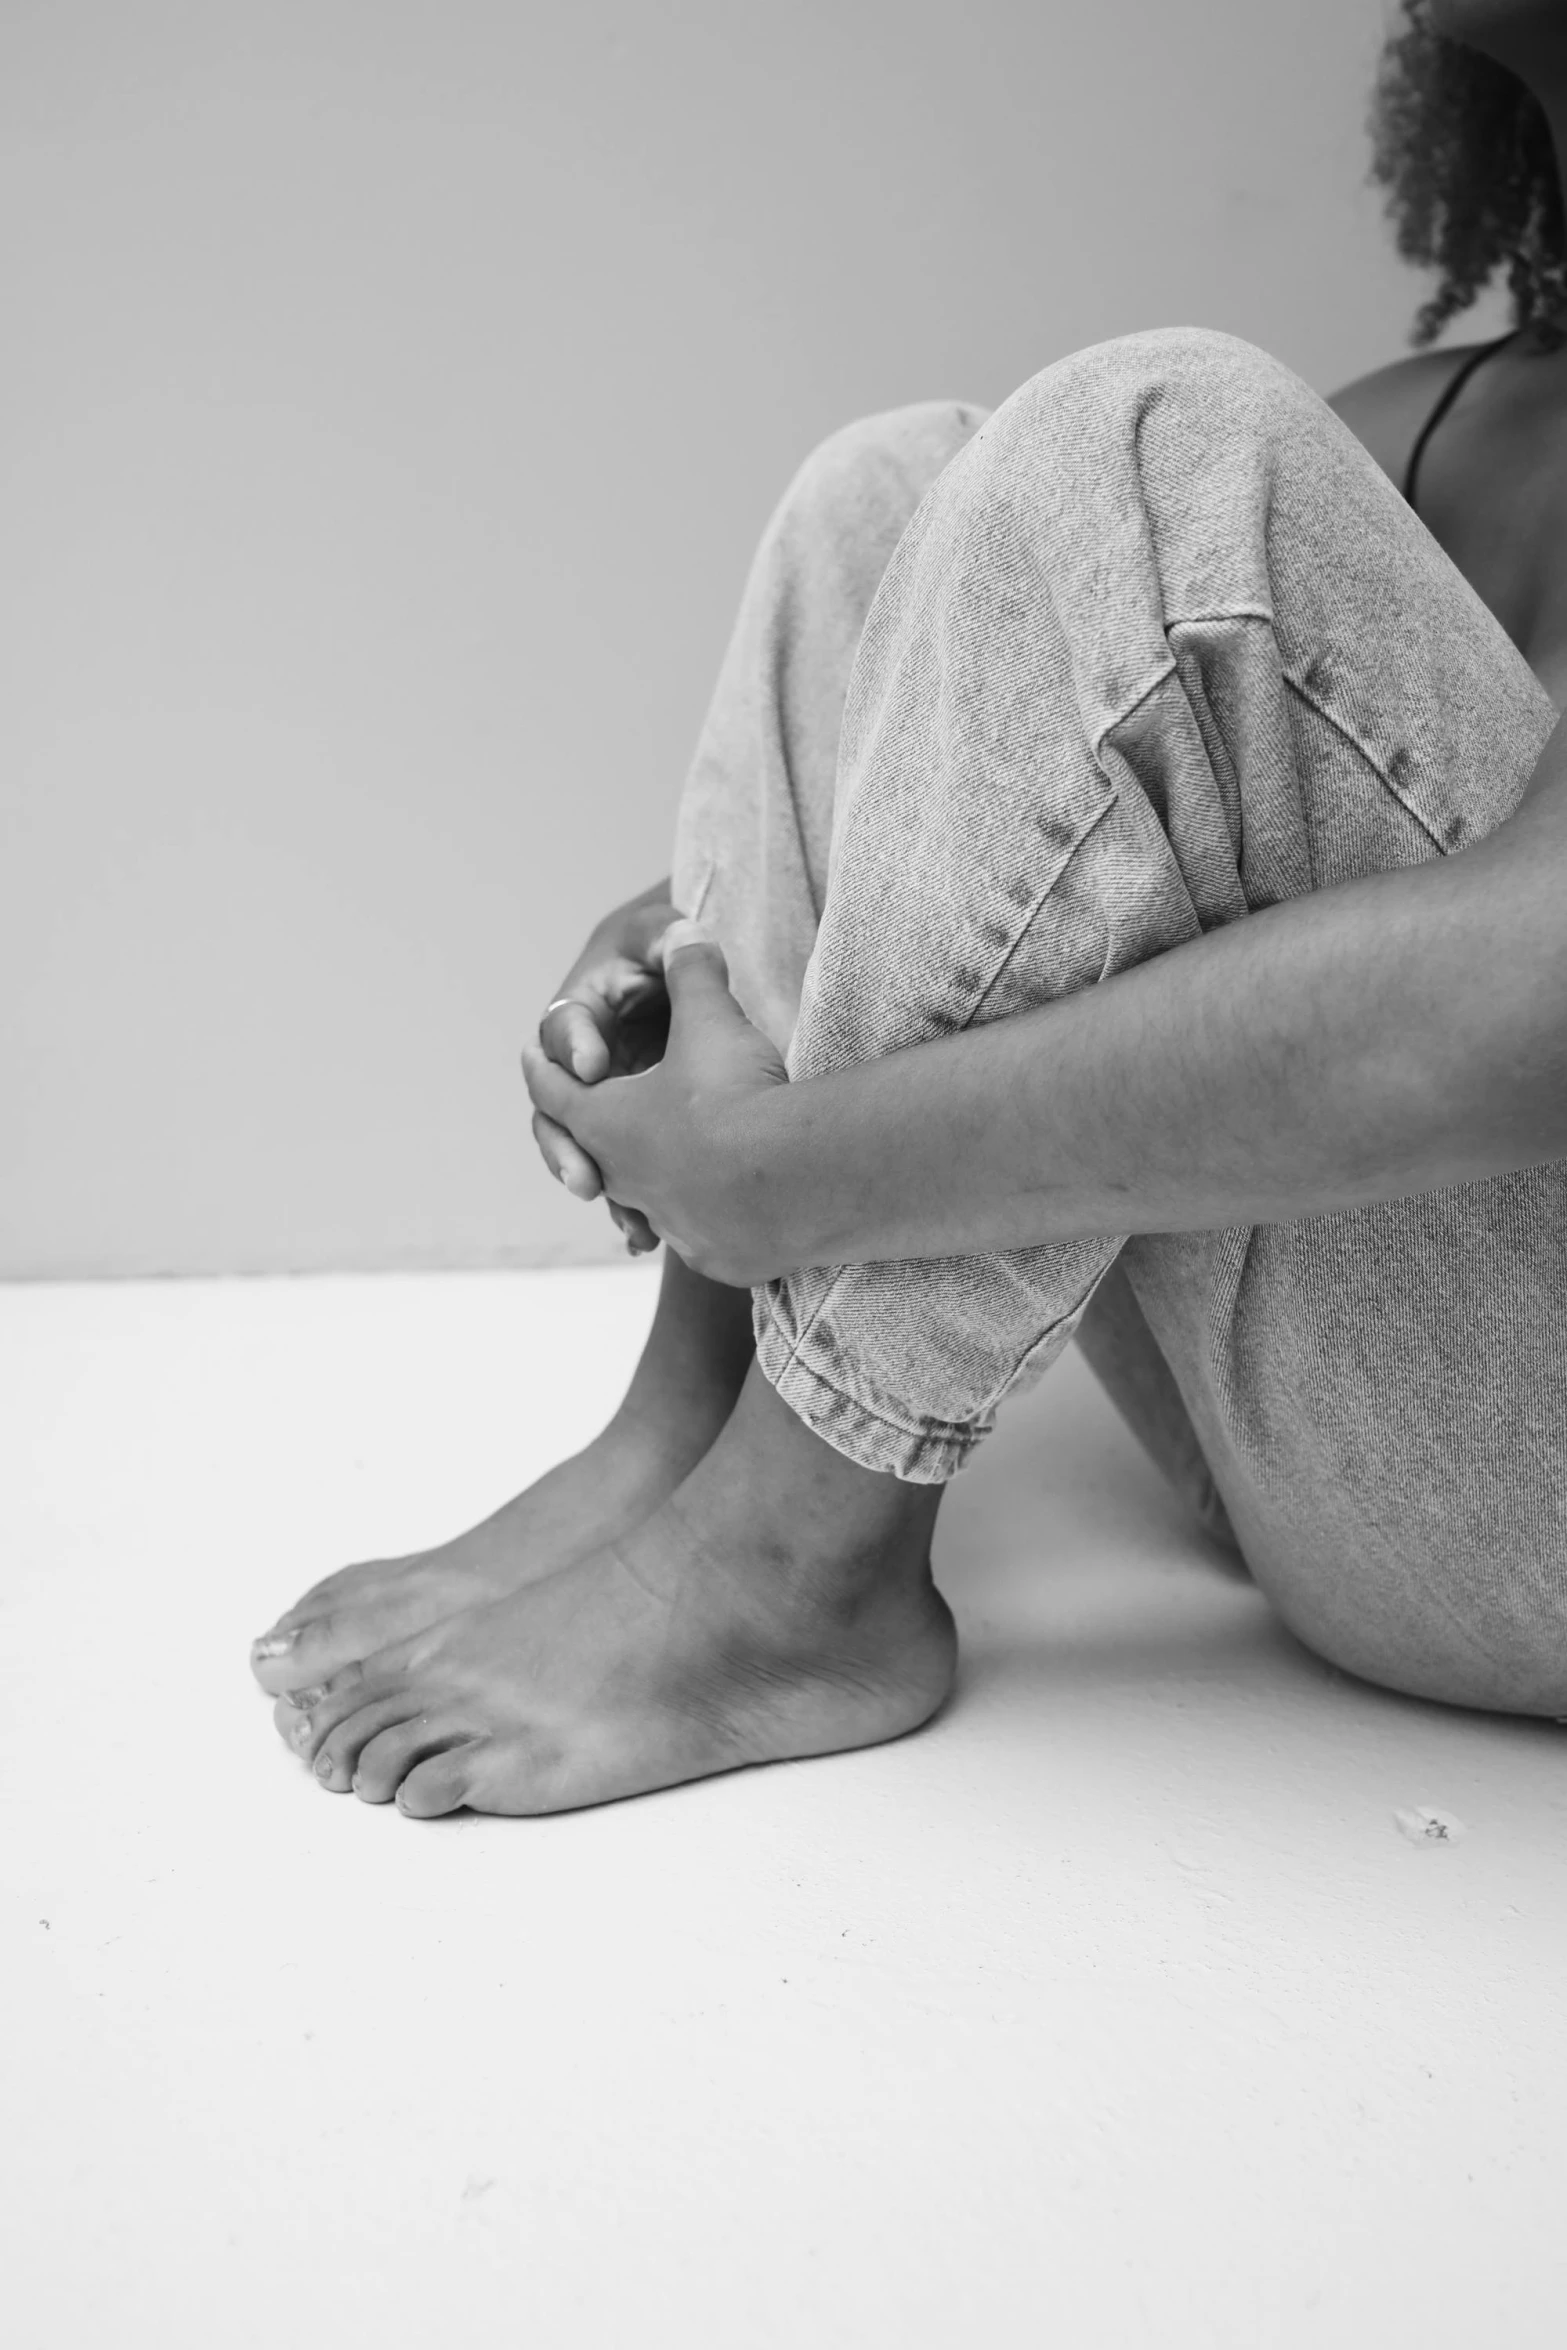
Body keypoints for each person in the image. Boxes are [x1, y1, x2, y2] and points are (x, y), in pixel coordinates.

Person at [251, 0, 1567, 1817]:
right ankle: (696, 1424)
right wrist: (690, 947)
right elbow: (1050, 723)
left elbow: (1528, 1001)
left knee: (1149, 450)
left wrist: (773, 1171)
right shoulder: (1456, 412)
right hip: (1375, 1467)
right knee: (905, 494)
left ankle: (798, 1560)